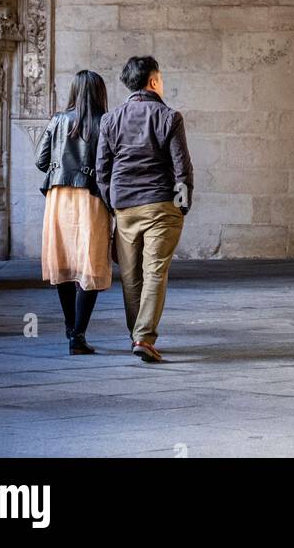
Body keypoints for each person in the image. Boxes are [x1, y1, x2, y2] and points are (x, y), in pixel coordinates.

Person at [96, 56, 193, 364]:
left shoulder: (110, 120)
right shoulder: (169, 116)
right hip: (161, 204)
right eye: (160, 78)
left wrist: (112, 203)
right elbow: (183, 168)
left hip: (125, 205)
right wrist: (183, 204)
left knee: (130, 275)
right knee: (155, 272)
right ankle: (144, 337)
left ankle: (136, 335)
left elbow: (102, 170)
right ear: (153, 81)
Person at [35, 70, 111, 355]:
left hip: (58, 197)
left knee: (64, 262)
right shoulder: (106, 122)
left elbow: (40, 161)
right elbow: (109, 165)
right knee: (89, 263)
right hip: (91, 197)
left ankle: (70, 329)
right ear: (100, 92)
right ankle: (78, 335)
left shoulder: (57, 120)